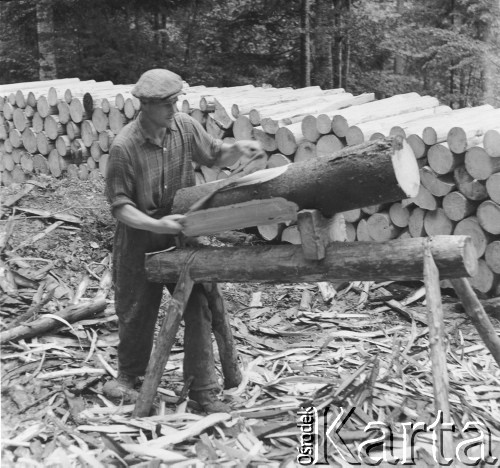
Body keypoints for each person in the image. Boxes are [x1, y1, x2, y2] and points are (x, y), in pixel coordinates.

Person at [104, 68, 262, 413]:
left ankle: (202, 392)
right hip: (138, 239)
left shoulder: (184, 126)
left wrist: (238, 149)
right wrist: (155, 225)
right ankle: (128, 378)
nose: (173, 109)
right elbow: (120, 207)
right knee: (136, 310)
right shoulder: (125, 147)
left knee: (198, 305)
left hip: (180, 234)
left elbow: (214, 154)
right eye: (166, 104)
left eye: (176, 101)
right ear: (145, 105)